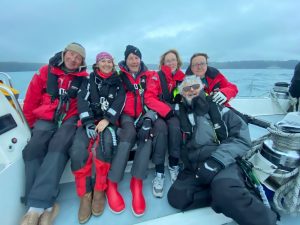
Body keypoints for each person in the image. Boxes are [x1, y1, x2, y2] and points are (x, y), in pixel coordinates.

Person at [167, 75, 278, 225]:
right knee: (177, 198)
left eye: (195, 87)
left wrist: (216, 162)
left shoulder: (220, 109)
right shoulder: (178, 113)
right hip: (194, 167)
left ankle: (265, 219)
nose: (191, 90)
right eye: (187, 88)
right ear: (182, 93)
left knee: (225, 190)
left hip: (223, 160)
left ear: (202, 89)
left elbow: (241, 139)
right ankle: (228, 194)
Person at [21, 43, 88, 225]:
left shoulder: (83, 79)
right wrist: (30, 125)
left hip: (69, 118)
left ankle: (36, 207)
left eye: (78, 57)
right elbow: (31, 99)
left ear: (82, 61)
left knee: (58, 146)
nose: (73, 59)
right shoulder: (45, 72)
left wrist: (81, 122)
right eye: (71, 54)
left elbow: (83, 104)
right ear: (64, 53)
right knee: (32, 148)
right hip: (45, 116)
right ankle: (44, 205)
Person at [69, 52, 125, 223]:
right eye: (103, 61)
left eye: (109, 61)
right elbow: (82, 101)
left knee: (105, 147)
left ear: (113, 64)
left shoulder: (118, 83)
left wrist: (107, 119)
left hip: (108, 122)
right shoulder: (89, 80)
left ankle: (99, 190)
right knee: (78, 150)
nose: (107, 64)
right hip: (89, 122)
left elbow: (119, 102)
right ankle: (86, 195)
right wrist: (87, 123)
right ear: (97, 64)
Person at [105, 45, 159, 217]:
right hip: (126, 116)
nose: (134, 61)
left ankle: (136, 183)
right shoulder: (119, 76)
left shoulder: (150, 76)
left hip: (144, 114)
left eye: (137, 58)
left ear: (140, 59)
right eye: (131, 58)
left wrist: (149, 117)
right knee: (128, 135)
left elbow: (155, 99)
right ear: (126, 61)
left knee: (147, 135)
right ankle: (112, 183)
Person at [144, 49, 185, 198]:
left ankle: (174, 165)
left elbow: (190, 96)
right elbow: (149, 97)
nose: (171, 63)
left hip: (173, 112)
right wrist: (166, 110)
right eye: (168, 61)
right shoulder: (157, 76)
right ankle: (159, 171)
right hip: (159, 111)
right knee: (160, 129)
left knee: (175, 127)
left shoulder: (183, 78)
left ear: (178, 61)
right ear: (163, 63)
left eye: (173, 60)